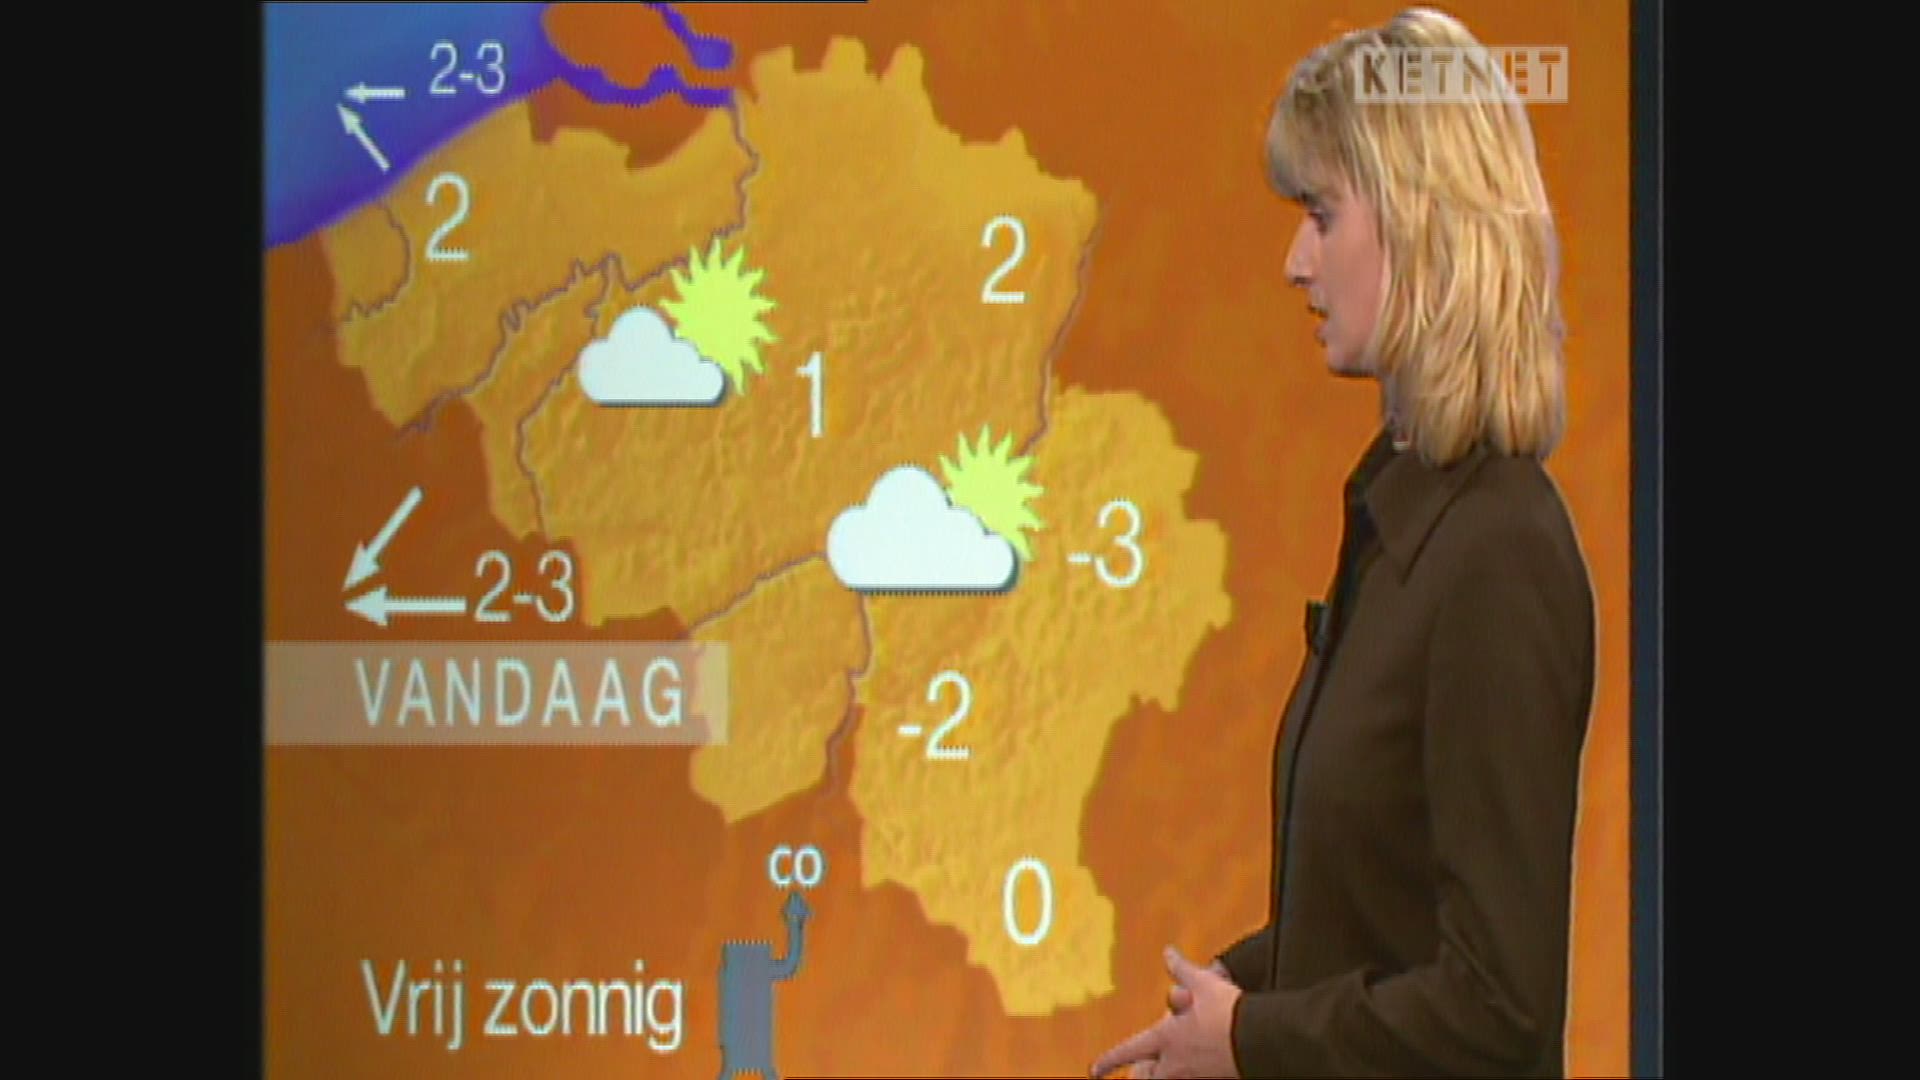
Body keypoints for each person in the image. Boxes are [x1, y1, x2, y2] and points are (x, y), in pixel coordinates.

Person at [1091, 9, 1596, 1079]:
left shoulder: (1498, 554)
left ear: (1420, 220)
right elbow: (1374, 918)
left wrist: (1251, 1039)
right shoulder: (1402, 525)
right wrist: (1228, 999)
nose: (1295, 262)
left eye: (1321, 215)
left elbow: (1497, 1011)